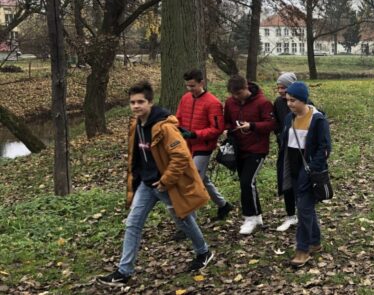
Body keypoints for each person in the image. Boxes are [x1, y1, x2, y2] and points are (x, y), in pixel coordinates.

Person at [97, 81, 213, 286]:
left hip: (165, 185)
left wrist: (166, 180)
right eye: (132, 102)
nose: (136, 106)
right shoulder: (136, 124)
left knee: (183, 220)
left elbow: (181, 156)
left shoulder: (165, 127)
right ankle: (124, 272)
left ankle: (203, 252)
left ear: (150, 102)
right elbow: (136, 154)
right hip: (146, 184)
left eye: (140, 102)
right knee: (133, 223)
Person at [278, 81, 331, 267]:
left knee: (304, 209)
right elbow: (284, 143)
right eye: (287, 100)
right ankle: (315, 242)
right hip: (292, 168)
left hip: (309, 171)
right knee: (306, 208)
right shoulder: (288, 118)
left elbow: (324, 148)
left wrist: (310, 169)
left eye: (293, 100)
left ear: (303, 99)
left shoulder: (318, 120)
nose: (289, 104)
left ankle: (303, 250)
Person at [175, 69, 233, 225]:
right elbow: (178, 118)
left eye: (192, 85)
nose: (190, 89)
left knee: (191, 183)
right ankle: (224, 205)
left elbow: (216, 129)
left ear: (202, 83)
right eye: (187, 86)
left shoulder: (212, 102)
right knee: (202, 179)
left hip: (203, 146)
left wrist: (195, 134)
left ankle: (188, 224)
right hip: (186, 146)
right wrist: (176, 129)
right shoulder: (185, 98)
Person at [223, 75, 275, 235]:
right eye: (233, 94)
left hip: (257, 149)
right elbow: (227, 121)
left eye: (239, 93)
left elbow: (271, 124)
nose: (236, 97)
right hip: (239, 148)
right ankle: (257, 215)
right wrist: (226, 130)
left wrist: (252, 126)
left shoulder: (263, 102)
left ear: (246, 88)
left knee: (247, 182)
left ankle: (250, 217)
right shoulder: (230, 102)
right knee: (246, 183)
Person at [272, 72, 298, 232]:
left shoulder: (305, 103)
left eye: (284, 87)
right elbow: (275, 122)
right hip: (284, 149)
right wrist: (279, 134)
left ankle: (303, 212)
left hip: (300, 150)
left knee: (300, 181)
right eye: (279, 87)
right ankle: (290, 215)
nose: (281, 91)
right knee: (286, 180)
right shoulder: (278, 103)